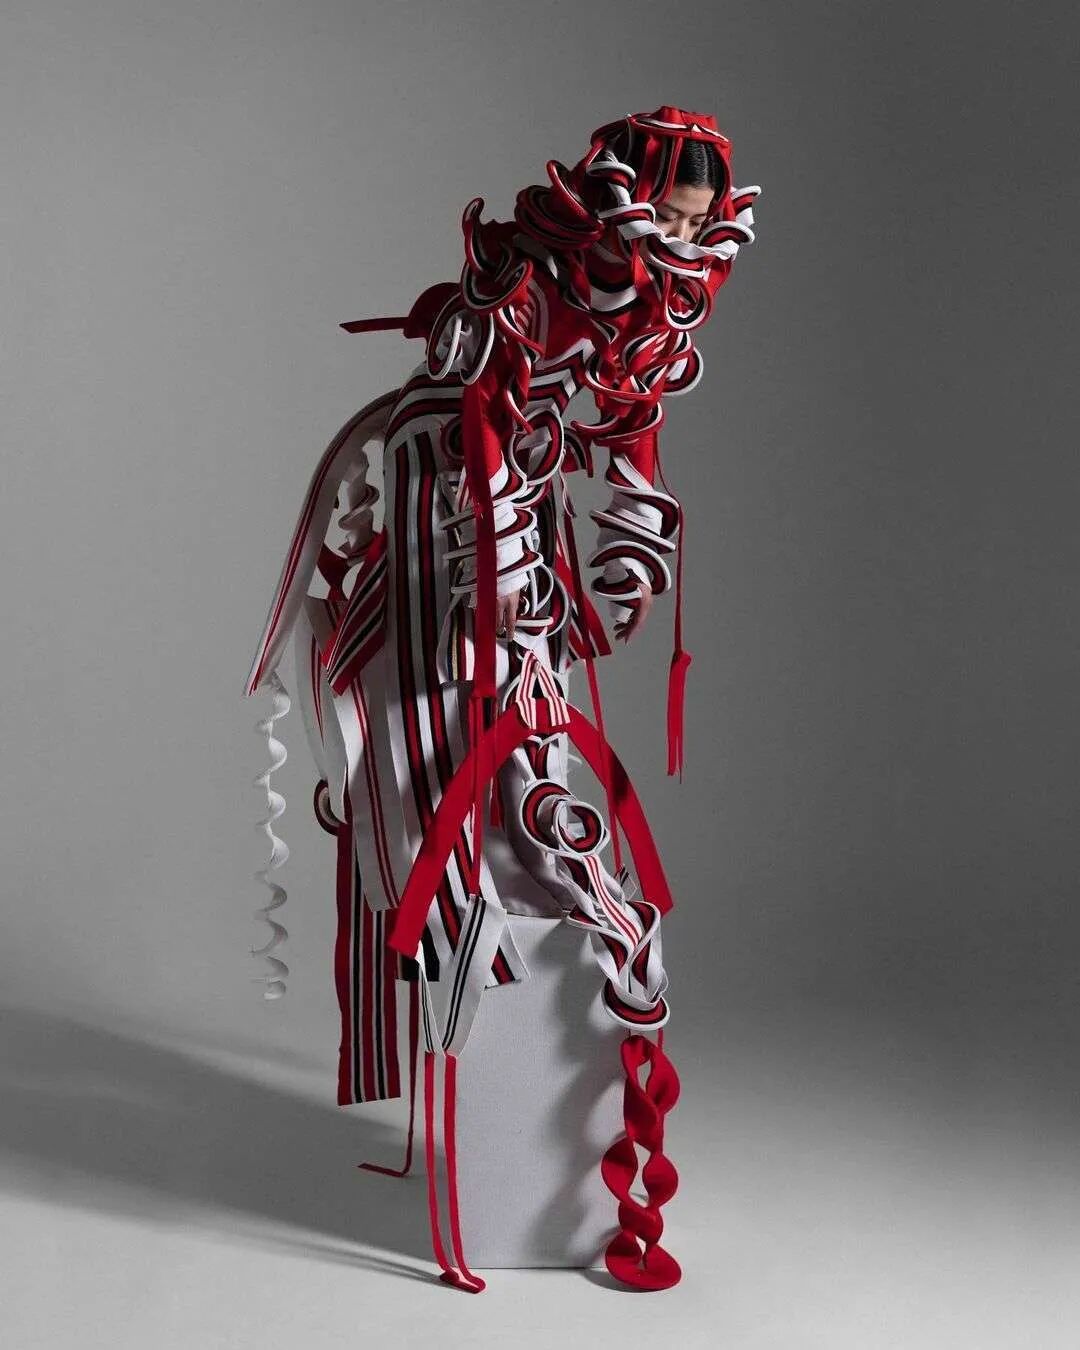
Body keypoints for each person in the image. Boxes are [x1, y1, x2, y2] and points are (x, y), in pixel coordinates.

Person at [244, 105, 760, 1293]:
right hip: (447, 482)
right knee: (445, 709)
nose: (686, 238)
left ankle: (514, 875)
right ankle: (446, 871)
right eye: (671, 215)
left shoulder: (648, 306)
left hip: (522, 496)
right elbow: (471, 405)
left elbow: (630, 433)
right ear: (625, 197)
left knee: (532, 715)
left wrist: (629, 558)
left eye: (700, 222)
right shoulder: (528, 279)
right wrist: (507, 563)